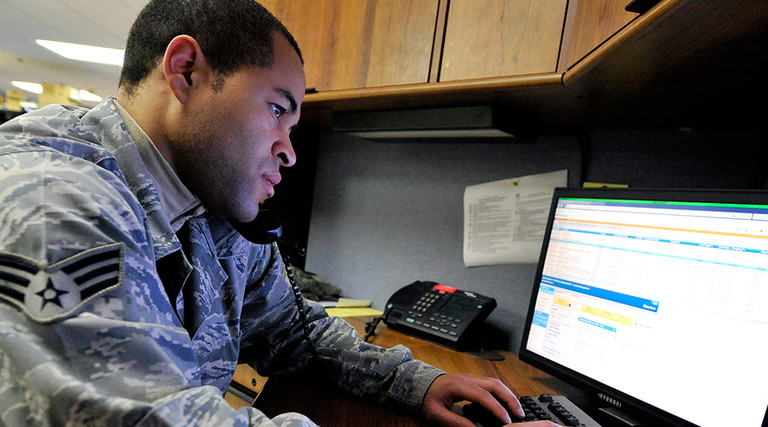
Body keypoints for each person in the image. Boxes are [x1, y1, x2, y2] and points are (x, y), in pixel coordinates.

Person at [0, 1, 557, 426]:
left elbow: (294, 332)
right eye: (277, 110)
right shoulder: (54, 202)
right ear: (186, 70)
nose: (290, 151)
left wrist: (416, 382)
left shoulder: (208, 206)